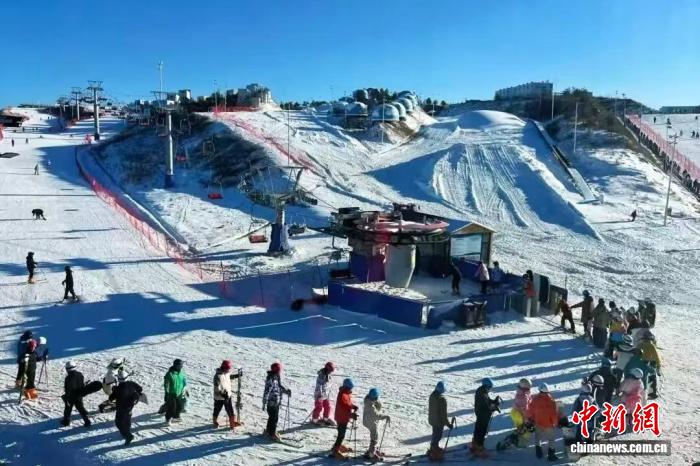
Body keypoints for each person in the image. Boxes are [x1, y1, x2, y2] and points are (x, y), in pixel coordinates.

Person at [470, 378, 500, 458]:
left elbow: (488, 401)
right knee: (482, 431)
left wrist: (494, 401)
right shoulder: (482, 394)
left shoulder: (482, 391)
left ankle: (475, 444)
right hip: (483, 415)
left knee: (478, 428)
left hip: (482, 414)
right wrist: (494, 407)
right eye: (489, 387)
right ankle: (479, 447)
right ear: (486, 386)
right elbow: (487, 406)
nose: (490, 389)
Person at [528, 383, 559, 461]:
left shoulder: (535, 399)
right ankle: (551, 455)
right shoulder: (551, 401)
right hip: (548, 424)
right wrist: (555, 423)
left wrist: (531, 418)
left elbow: (530, 410)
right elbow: (553, 414)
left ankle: (538, 451)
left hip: (538, 422)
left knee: (538, 437)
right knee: (551, 439)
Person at [262, 362, 291, 441]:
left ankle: (269, 430)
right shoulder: (271, 379)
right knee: (274, 418)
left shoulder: (276, 377)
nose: (280, 372)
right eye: (279, 370)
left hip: (276, 401)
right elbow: (267, 391)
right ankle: (272, 434)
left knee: (273, 417)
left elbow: (279, 387)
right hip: (271, 402)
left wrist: (286, 391)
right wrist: (264, 401)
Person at [110, 380, 144, 446]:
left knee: (118, 423)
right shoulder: (132, 383)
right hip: (130, 407)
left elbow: (111, 398)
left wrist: (114, 390)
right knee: (127, 420)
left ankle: (128, 436)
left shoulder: (119, 388)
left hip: (121, 409)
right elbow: (140, 389)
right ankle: (127, 431)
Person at [332, 378, 358, 459]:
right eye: (350, 387)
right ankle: (335, 451)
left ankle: (338, 446)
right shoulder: (342, 395)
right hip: (341, 418)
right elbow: (343, 409)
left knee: (341, 433)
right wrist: (351, 415)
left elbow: (347, 404)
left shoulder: (346, 393)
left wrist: (352, 406)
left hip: (343, 418)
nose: (351, 389)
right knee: (341, 435)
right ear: (347, 387)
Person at [213, 360, 243, 429]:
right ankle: (214, 421)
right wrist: (223, 394)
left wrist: (237, 376)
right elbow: (217, 387)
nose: (229, 370)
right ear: (224, 368)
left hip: (227, 395)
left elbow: (229, 377)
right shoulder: (218, 376)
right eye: (228, 368)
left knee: (230, 409)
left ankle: (232, 423)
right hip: (219, 397)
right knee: (217, 409)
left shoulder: (226, 373)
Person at [362, 388, 390, 461]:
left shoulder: (368, 400)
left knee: (374, 435)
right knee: (375, 437)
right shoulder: (371, 407)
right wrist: (385, 416)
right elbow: (377, 415)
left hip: (368, 421)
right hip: (371, 422)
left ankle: (373, 449)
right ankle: (372, 453)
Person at [61, 361, 91, 427]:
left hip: (71, 397)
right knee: (81, 408)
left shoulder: (68, 378)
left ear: (67, 369)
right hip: (79, 395)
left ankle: (66, 422)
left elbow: (68, 388)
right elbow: (82, 385)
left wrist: (66, 397)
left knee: (68, 409)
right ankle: (87, 421)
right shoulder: (80, 374)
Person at [428, 381, 452, 461]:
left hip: (433, 420)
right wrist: (448, 424)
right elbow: (443, 415)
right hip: (439, 422)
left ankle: (434, 448)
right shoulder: (441, 399)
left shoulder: (432, 395)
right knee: (438, 436)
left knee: (435, 435)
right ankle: (434, 453)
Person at [509, 378, 532, 448]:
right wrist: (526, 420)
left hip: (515, 412)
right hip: (519, 414)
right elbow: (524, 410)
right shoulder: (523, 397)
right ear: (524, 388)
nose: (529, 389)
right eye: (528, 388)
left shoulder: (520, 392)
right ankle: (520, 443)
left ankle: (516, 436)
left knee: (520, 427)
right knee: (526, 429)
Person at [638, 330, 661, 399]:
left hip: (642, 362)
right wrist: (658, 365)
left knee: (642, 377)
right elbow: (656, 356)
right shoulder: (652, 346)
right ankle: (653, 392)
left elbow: (637, 353)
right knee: (652, 377)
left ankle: (640, 392)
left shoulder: (641, 345)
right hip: (652, 362)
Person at [163, 359, 187, 425]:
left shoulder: (181, 372)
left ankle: (176, 417)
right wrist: (166, 393)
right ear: (176, 366)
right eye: (180, 365)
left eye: (182, 365)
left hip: (179, 393)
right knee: (172, 408)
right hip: (171, 394)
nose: (182, 366)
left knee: (179, 406)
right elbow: (166, 384)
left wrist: (185, 388)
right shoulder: (170, 374)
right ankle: (167, 419)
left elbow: (184, 380)